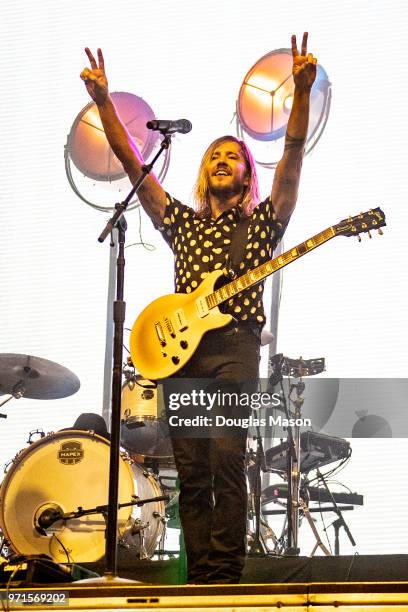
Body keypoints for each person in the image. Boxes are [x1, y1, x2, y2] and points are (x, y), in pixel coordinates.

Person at [80, 32, 316, 584]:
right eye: (215, 155)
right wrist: (104, 105)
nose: (223, 159)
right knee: (191, 468)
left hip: (234, 347)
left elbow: (293, 155)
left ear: (246, 175)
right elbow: (133, 165)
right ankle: (201, 578)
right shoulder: (182, 223)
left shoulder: (262, 224)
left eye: (233, 156)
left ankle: (226, 576)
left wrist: (300, 94)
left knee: (227, 461)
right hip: (180, 352)